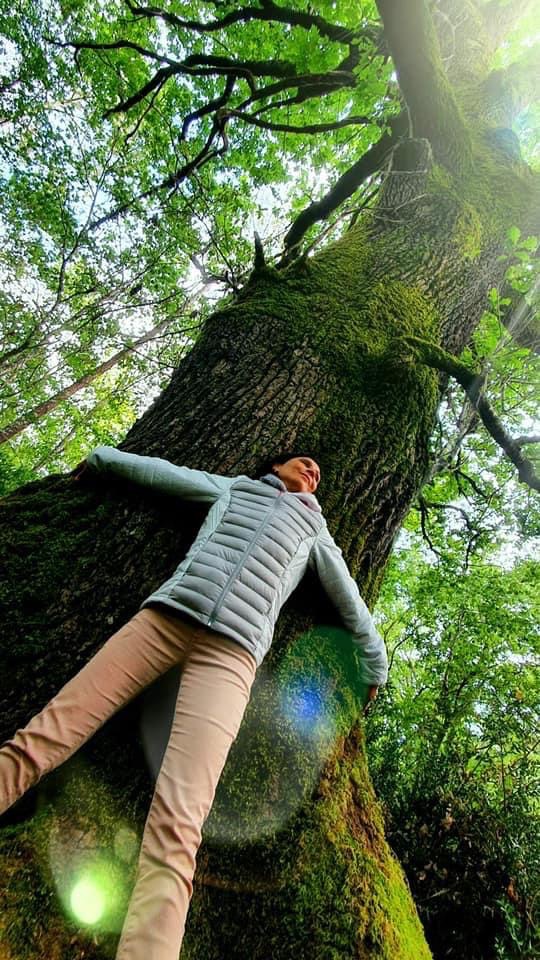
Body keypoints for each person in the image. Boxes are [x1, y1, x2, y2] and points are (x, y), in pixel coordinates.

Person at [0, 447, 388, 960]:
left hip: (231, 658)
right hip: (165, 620)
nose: (313, 469)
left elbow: (350, 600)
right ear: (274, 466)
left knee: (180, 824)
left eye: (319, 471)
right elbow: (165, 475)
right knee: (43, 737)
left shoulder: (316, 533)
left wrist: (375, 664)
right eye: (303, 460)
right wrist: (102, 458)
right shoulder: (235, 488)